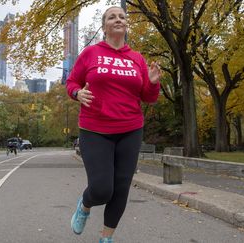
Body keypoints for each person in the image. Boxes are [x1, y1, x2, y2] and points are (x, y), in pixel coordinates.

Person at [66, 6, 161, 243]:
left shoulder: (137, 58)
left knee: (121, 188)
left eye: (121, 16)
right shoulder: (90, 53)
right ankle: (85, 204)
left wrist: (152, 82)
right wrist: (77, 93)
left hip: (130, 130)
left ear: (126, 25)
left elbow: (148, 97)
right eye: (112, 17)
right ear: (104, 25)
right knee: (101, 189)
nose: (118, 19)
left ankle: (106, 238)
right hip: (95, 129)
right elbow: (71, 82)